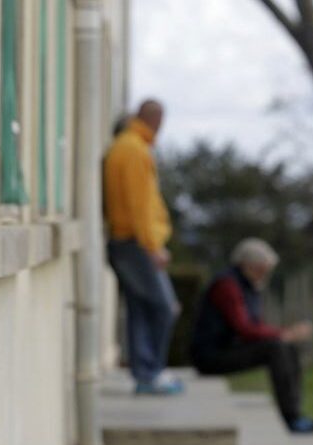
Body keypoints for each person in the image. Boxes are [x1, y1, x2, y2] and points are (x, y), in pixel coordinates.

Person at [190, 238, 313, 433]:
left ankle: (296, 412)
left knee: (286, 347)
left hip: (228, 348)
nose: (266, 272)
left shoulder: (249, 286)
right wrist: (284, 333)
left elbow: (255, 326)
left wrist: (283, 336)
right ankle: (291, 417)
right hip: (210, 356)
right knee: (276, 347)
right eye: (263, 267)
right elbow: (244, 328)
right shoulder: (227, 285)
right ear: (248, 265)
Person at [104, 99, 183, 395]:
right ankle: (150, 373)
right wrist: (153, 247)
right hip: (136, 243)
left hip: (126, 241)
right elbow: (139, 205)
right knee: (165, 308)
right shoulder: (134, 150)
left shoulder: (126, 145)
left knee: (140, 309)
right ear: (156, 119)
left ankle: (145, 375)